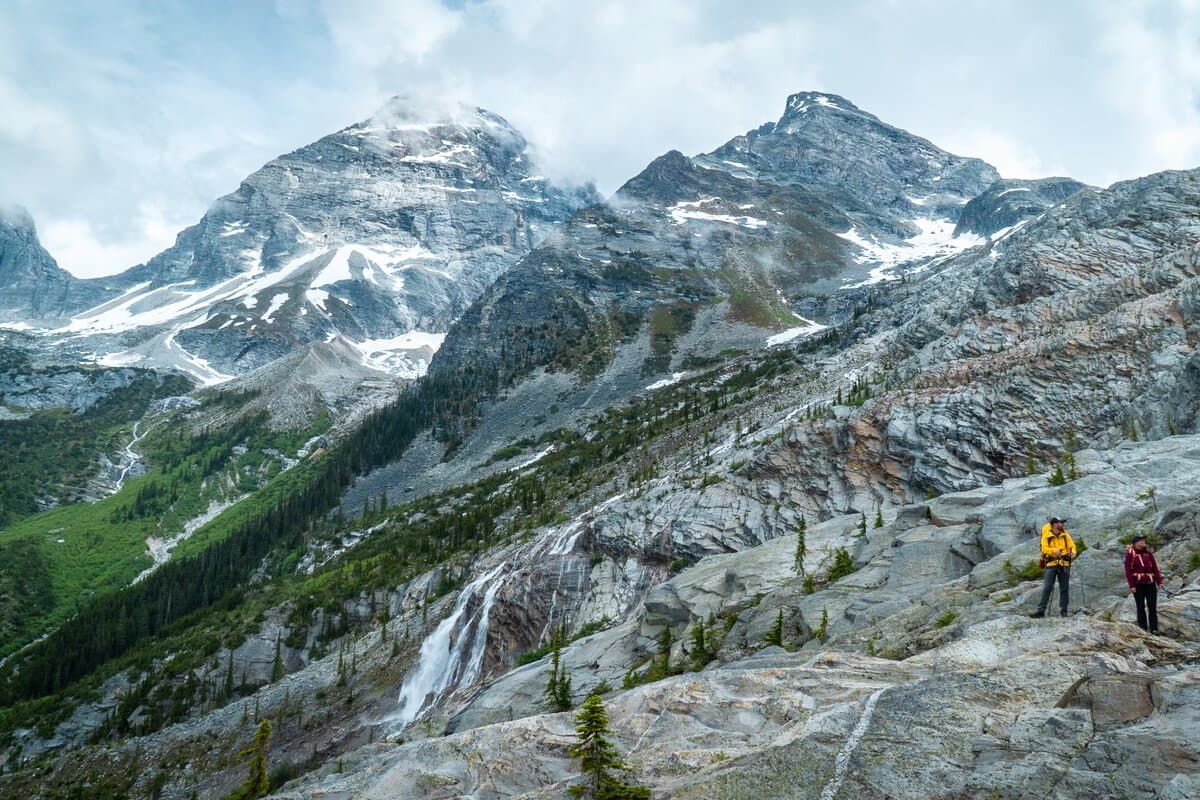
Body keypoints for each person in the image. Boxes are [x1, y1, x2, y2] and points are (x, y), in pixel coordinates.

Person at [1031, 517, 1077, 618]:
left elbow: (1072, 545)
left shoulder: (1065, 535)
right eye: (1061, 522)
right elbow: (1044, 548)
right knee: (1047, 587)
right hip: (1051, 563)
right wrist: (1053, 551)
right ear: (1054, 524)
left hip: (1064, 563)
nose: (1063, 524)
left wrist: (1073, 553)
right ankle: (1041, 610)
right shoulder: (1047, 535)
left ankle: (1064, 611)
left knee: (1064, 588)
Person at [1124, 534, 1163, 634]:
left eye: (1143, 540)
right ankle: (1143, 627)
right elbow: (1128, 571)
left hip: (1150, 582)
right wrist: (1131, 585)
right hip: (1137, 584)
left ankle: (1154, 628)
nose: (1143, 542)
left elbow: (1155, 568)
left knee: (1152, 605)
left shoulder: (1148, 553)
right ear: (1135, 543)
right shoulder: (1130, 554)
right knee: (1140, 606)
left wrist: (1159, 582)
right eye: (1141, 540)